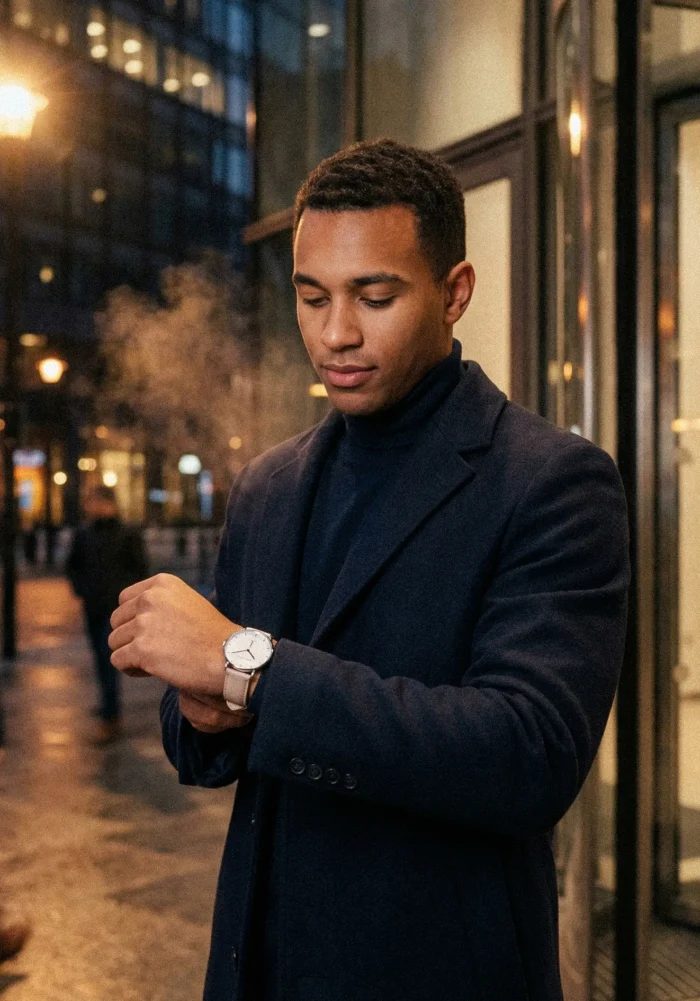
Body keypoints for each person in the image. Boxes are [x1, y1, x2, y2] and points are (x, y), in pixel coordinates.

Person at [108, 139, 630, 1001]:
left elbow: (527, 755)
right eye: (311, 298)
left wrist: (248, 667)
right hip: (261, 967)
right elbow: (204, 741)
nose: (336, 332)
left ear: (455, 292)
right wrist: (205, 706)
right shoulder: (272, 483)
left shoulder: (552, 480)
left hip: (438, 969)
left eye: (374, 296)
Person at [66, 485, 149, 740]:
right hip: (93, 606)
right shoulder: (84, 533)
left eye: (98, 502)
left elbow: (140, 569)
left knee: (108, 657)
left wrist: (127, 597)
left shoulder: (127, 534)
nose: (95, 507)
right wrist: (81, 589)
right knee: (100, 658)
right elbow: (73, 565)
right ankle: (107, 706)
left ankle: (110, 714)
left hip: (116, 609)